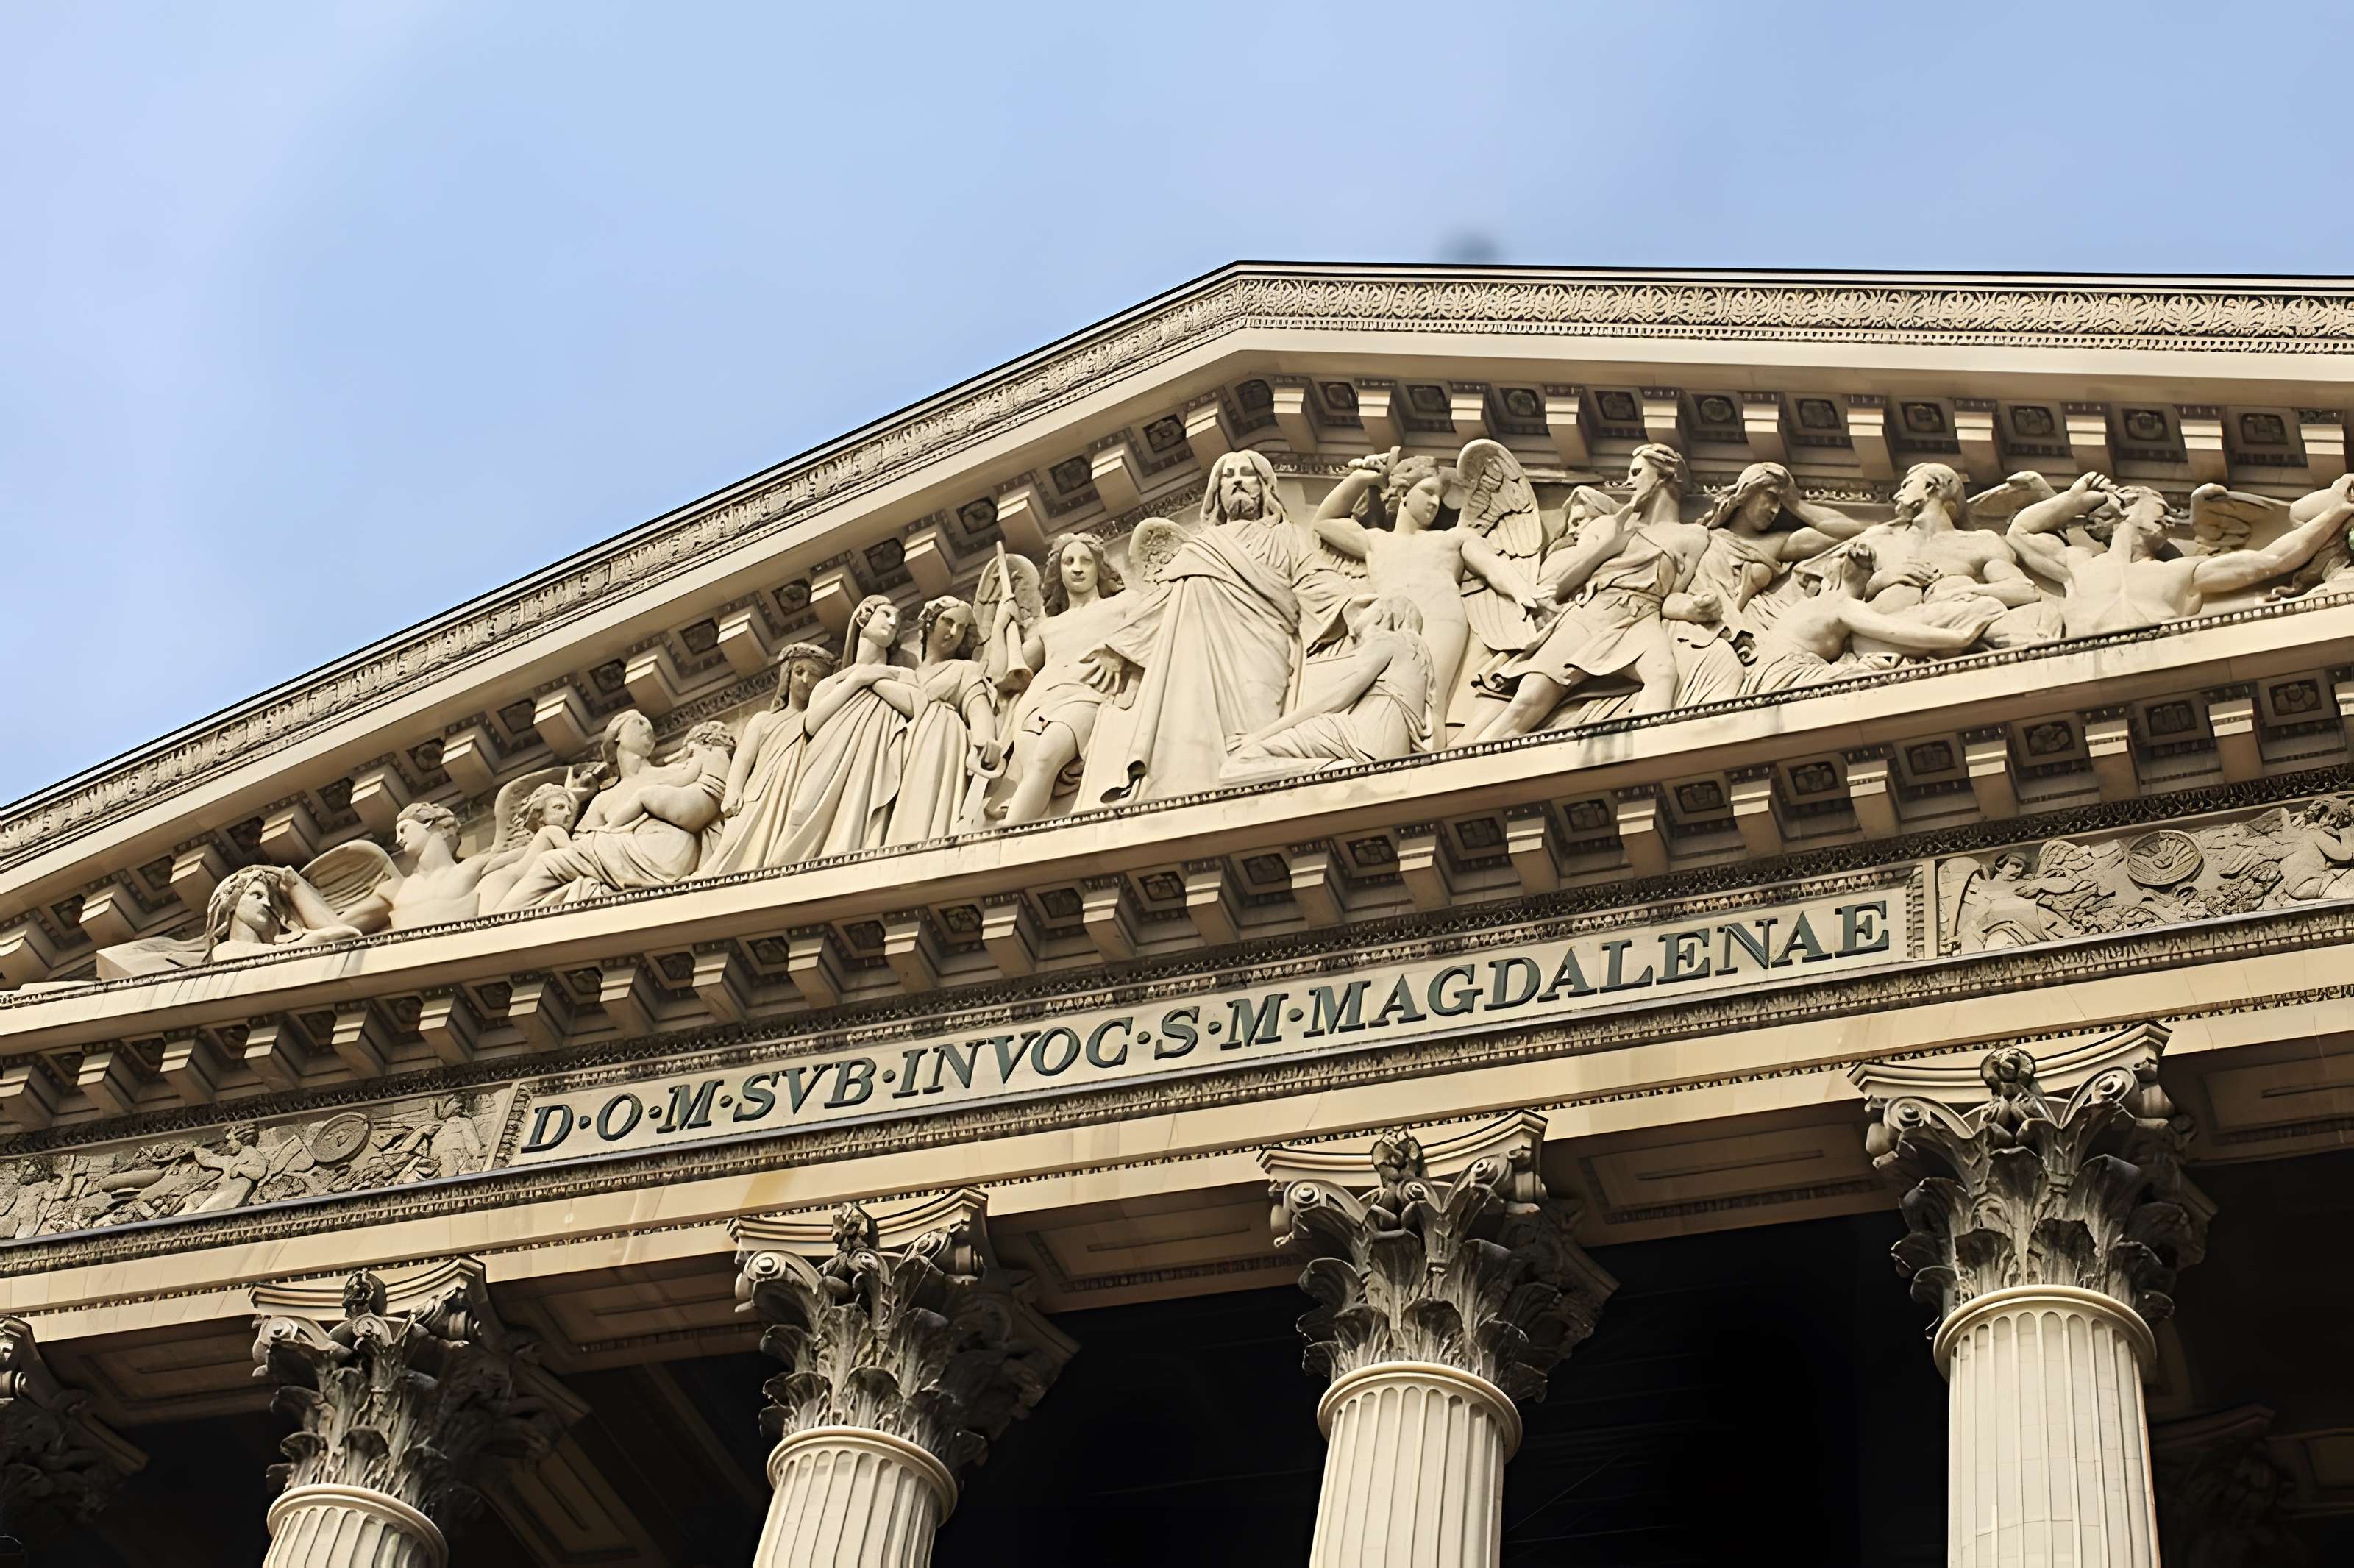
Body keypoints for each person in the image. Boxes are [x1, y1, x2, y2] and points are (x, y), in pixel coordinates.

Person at [1471, 443, 1715, 739]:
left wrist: (1693, 608)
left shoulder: (1694, 536)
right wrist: (1609, 546)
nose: (1630, 481)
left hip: (1642, 618)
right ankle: (1464, 770)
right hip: (1595, 611)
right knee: (1528, 701)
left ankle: (1644, 762)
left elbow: (1670, 598)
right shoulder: (1612, 524)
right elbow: (1557, 582)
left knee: (1663, 674)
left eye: (1637, 472)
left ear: (1667, 475)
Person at [1100, 451, 1304, 799]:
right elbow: (1162, 601)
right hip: (1203, 655)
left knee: (1259, 725)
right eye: (1228, 476)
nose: (1238, 480)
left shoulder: (1288, 536)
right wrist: (1118, 651)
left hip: (1264, 642)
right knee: (1196, 727)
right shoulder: (1203, 546)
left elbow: (1316, 582)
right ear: (1217, 493)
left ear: (1264, 486)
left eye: (1247, 474)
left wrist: (1357, 610)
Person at [1308, 452, 1543, 739]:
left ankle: (1432, 763)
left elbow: (1494, 569)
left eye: (1440, 496)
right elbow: (1324, 521)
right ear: (1404, 494)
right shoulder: (1374, 541)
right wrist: (1364, 477)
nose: (1435, 502)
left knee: (1430, 698)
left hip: (1440, 617)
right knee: (1382, 695)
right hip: (1389, 620)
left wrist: (1522, 593)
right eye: (1428, 492)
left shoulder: (1452, 539)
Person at [2008, 471, 2354, 635]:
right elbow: (2020, 533)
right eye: (2160, 507)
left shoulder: (2182, 571)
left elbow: (2270, 561)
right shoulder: (2078, 565)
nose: (2172, 520)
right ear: (2125, 508)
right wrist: (2073, 500)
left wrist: (2336, 511)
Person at [493, 711, 733, 910]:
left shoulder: (673, 771)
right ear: (618, 736)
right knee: (556, 863)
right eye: (638, 722)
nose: (647, 728)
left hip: (664, 850)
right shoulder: (603, 800)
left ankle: (500, 922)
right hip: (635, 859)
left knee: (548, 862)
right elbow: (577, 844)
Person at [1740, 544, 2005, 694]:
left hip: (1762, 678)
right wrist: (1960, 637)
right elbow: (1893, 631)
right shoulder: (1841, 605)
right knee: (1884, 663)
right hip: (1793, 677)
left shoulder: (1804, 606)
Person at [996, 535, 1133, 824]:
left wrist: (1119, 653)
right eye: (1069, 562)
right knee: (1035, 771)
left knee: (1045, 760)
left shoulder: (1123, 605)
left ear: (1099, 567)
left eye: (1086, 560)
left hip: (1085, 693)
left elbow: (1157, 624)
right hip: (1037, 703)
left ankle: (1004, 841)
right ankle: (1036, 839)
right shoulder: (1049, 626)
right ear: (1059, 573)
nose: (1078, 568)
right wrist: (1001, 625)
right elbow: (1006, 673)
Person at [774, 595, 921, 860]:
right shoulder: (830, 684)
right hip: (825, 766)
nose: (892, 623)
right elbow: (812, 722)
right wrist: (856, 680)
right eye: (886, 615)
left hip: (872, 763)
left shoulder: (903, 676)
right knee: (801, 811)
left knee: (860, 814)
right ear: (864, 615)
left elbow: (915, 706)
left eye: (897, 622)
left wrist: (872, 679)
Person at [1223, 597, 1434, 781]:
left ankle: (1336, 770)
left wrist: (1258, 736)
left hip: (1361, 741)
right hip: (1389, 749)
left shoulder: (1387, 641)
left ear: (1382, 616)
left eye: (1369, 607)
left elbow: (1335, 699)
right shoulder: (1415, 654)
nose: (1360, 612)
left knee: (1238, 764)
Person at [703, 642, 833, 874]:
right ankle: (707, 877)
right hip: (758, 792)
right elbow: (743, 759)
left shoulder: (818, 719)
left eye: (814, 675)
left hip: (794, 789)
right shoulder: (763, 720)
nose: (805, 680)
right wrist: (733, 792)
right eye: (799, 671)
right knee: (732, 841)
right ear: (787, 675)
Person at [883, 598, 1002, 844]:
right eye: (947, 622)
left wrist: (984, 738)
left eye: (961, 628)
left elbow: (977, 705)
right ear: (929, 623)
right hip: (895, 755)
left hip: (937, 745)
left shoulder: (964, 669)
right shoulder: (902, 675)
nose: (954, 632)